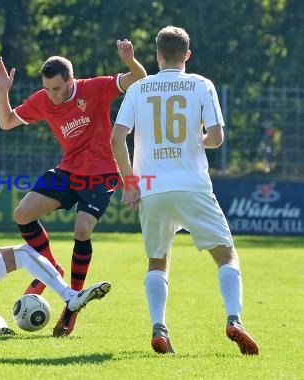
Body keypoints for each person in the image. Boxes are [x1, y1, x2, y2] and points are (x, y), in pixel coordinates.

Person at [110, 25, 259, 355]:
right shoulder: (201, 85)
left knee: (157, 261)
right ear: (187, 55)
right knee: (225, 254)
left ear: (158, 55)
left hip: (152, 188)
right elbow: (216, 138)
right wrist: (201, 140)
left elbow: (117, 137)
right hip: (192, 185)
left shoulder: (140, 88)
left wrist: (131, 184)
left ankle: (159, 327)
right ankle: (234, 319)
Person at [0, 40, 146, 337]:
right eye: (48, 89)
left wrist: (130, 61)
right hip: (68, 171)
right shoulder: (42, 99)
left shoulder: (96, 88)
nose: (53, 95)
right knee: (22, 214)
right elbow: (7, 122)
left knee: (82, 230)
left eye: (58, 89)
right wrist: (3, 91)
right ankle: (50, 267)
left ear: (71, 80)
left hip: (102, 173)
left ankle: (72, 304)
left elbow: (139, 77)